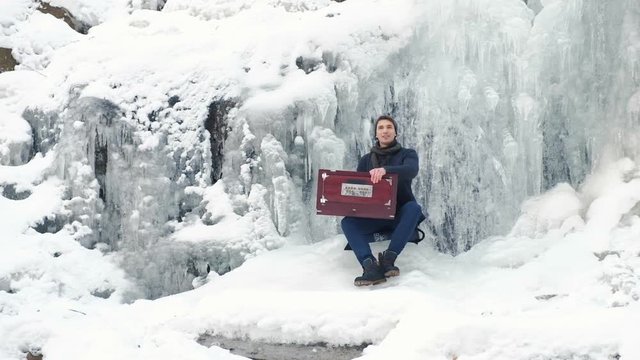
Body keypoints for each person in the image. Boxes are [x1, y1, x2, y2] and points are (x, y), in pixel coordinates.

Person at [341, 115, 425, 286]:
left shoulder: (408, 154)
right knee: (347, 222)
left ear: (396, 133)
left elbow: (411, 170)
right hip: (375, 217)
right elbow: (359, 189)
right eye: (381, 128)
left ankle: (389, 258)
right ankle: (370, 266)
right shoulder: (365, 160)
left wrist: (385, 170)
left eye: (389, 127)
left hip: (399, 216)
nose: (385, 130)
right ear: (376, 134)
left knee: (414, 208)